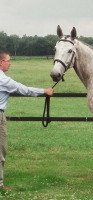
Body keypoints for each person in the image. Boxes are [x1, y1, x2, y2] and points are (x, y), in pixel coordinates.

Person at [0, 50, 54, 190]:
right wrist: (44, 91)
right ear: (1, 62)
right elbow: (23, 89)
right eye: (8, 60)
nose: (10, 63)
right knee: (1, 150)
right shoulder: (3, 80)